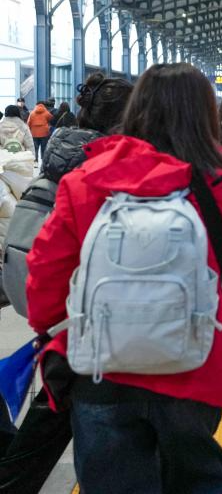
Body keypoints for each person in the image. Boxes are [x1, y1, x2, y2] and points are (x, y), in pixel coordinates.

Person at [25, 62, 222, 494]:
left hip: (103, 373)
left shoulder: (85, 180)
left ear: (137, 110)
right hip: (193, 370)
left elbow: (45, 279)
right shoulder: (216, 182)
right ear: (203, 116)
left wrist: (61, 335)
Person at [0, 72, 134, 492]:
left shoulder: (59, 155)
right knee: (79, 426)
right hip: (88, 325)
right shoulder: (104, 167)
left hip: (53, 313)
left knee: (53, 415)